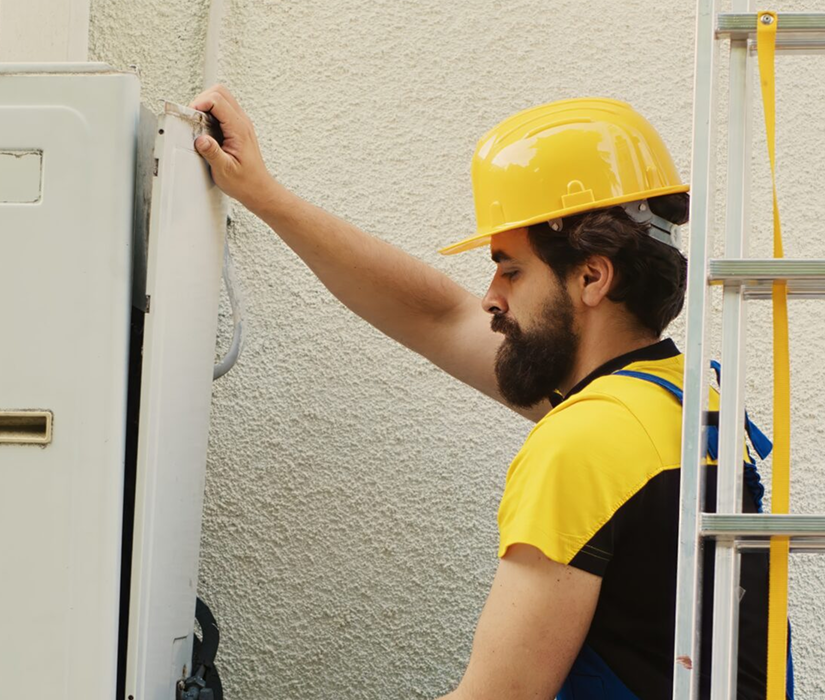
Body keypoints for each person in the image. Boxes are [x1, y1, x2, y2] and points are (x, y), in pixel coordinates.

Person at [189, 86, 776, 700]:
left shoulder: (585, 443)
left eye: (511, 270)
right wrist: (264, 194)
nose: (491, 298)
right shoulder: (679, 400)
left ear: (592, 276)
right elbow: (440, 317)